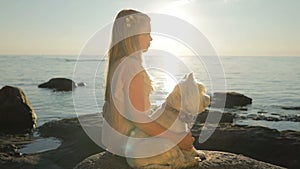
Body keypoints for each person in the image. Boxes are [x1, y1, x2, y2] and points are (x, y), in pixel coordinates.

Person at [102, 9, 194, 157]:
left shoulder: (119, 64)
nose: (151, 39)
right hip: (130, 146)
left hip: (116, 143)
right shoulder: (131, 67)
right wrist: (177, 139)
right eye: (147, 34)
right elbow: (139, 119)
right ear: (132, 36)